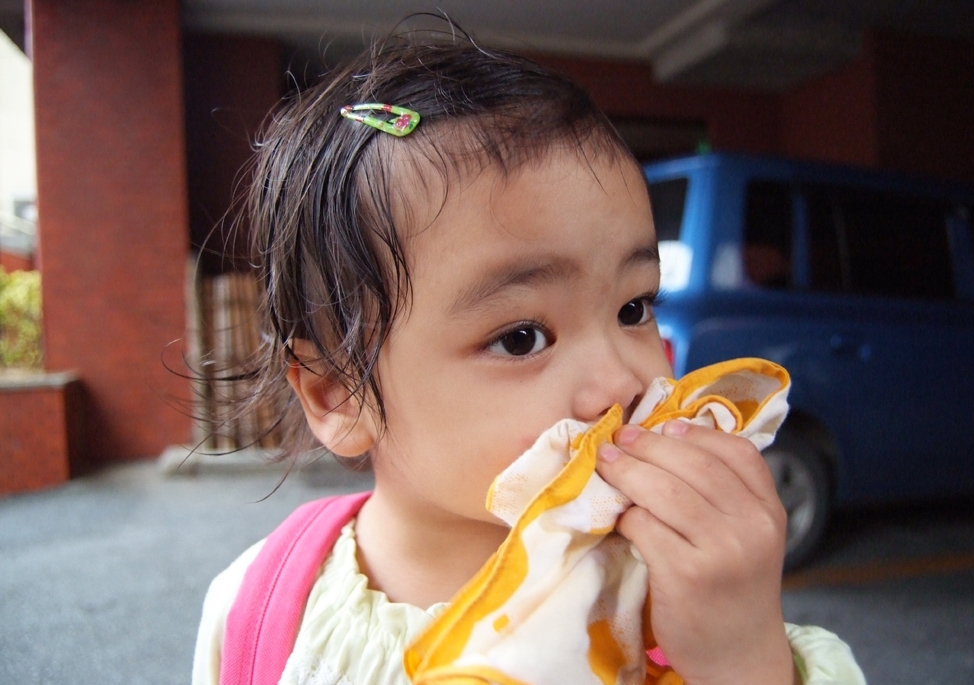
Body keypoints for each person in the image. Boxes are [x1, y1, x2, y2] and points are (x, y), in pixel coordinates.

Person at [193, 28, 865, 685]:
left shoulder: (675, 607)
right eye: (521, 337)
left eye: (633, 307)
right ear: (339, 394)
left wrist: (741, 657)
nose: (622, 380)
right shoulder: (260, 607)